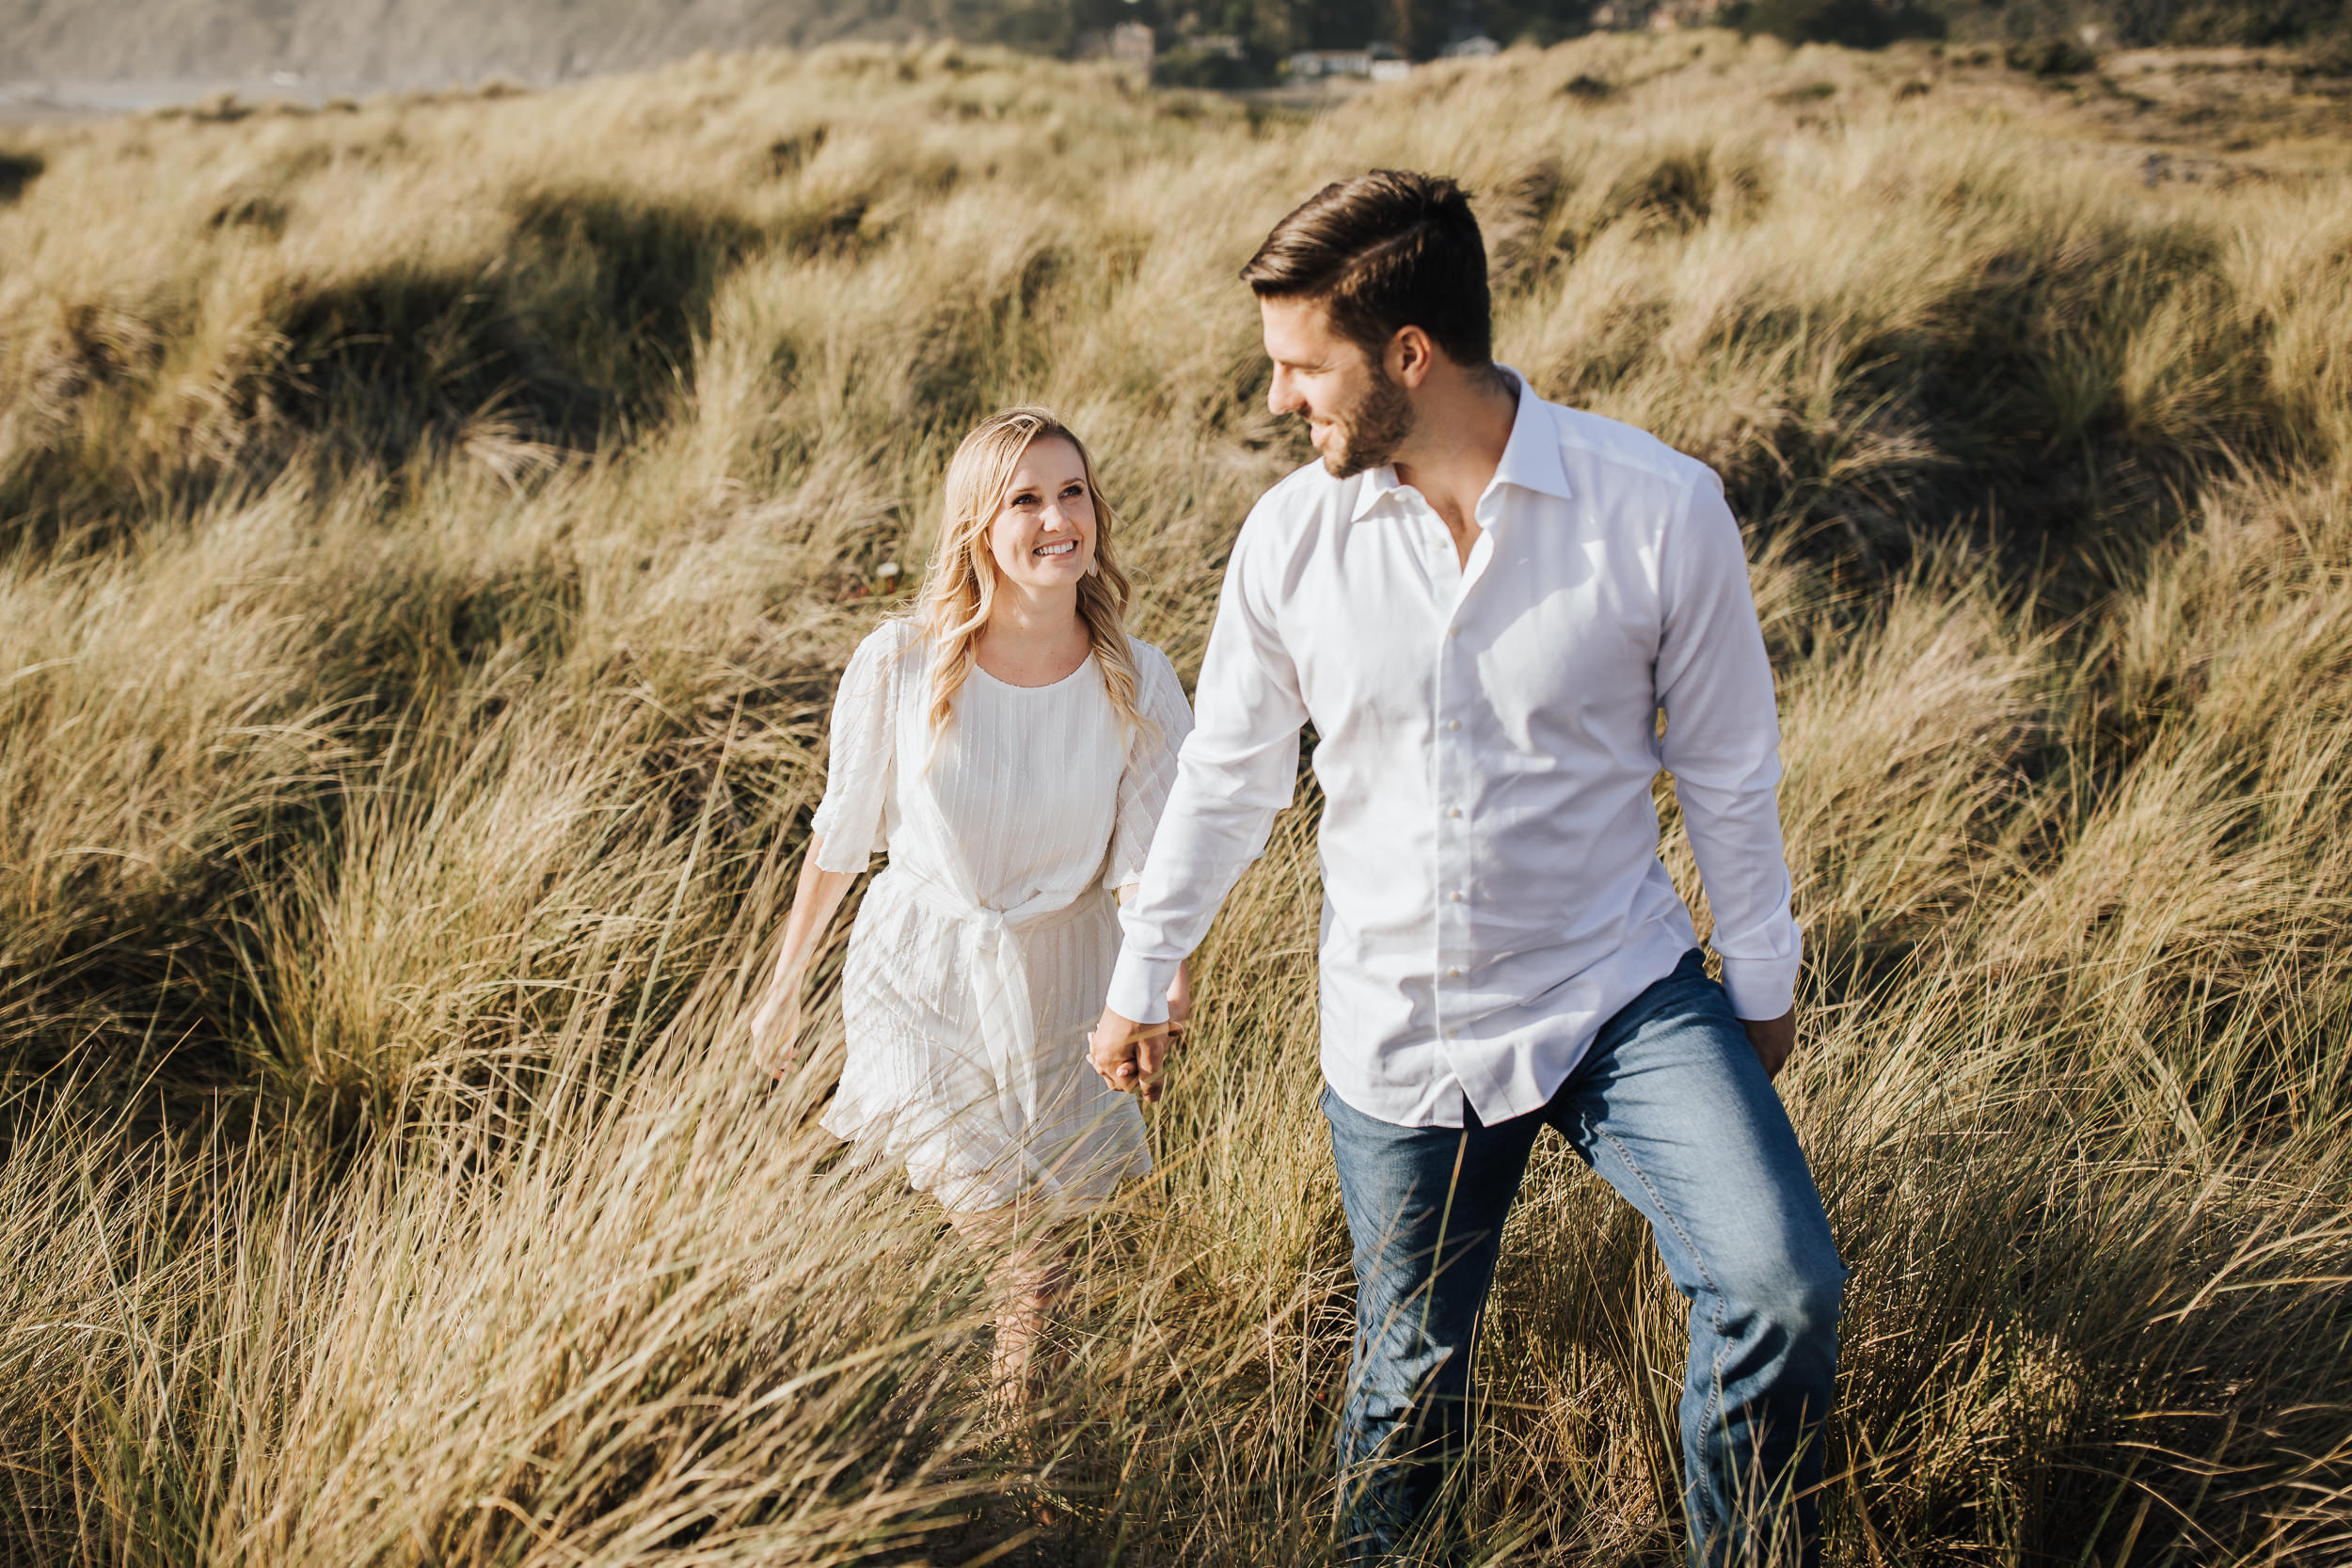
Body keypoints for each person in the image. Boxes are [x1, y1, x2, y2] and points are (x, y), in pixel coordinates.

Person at [1088, 172, 1846, 1564]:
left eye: (1300, 365)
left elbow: (1731, 770)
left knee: (1780, 1282)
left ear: (1409, 356)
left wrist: (1762, 975)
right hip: (1400, 1021)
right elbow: (1231, 776)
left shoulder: (1660, 510)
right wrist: (1149, 965)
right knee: (1412, 1374)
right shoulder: (1291, 540)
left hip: (1618, 991)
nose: (1276, 400)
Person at [749, 406, 1194, 1409]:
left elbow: (1151, 874)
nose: (1054, 519)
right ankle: (1009, 1443)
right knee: (1017, 1247)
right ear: (977, 526)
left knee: (1051, 1262)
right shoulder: (901, 663)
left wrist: (1159, 995)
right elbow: (840, 834)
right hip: (920, 971)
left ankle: (1026, 1447)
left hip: (1066, 981)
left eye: (1070, 491)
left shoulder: (1141, 681)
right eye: (1024, 499)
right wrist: (782, 987)